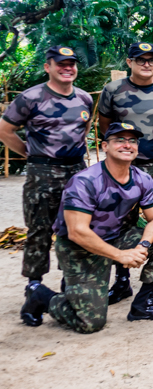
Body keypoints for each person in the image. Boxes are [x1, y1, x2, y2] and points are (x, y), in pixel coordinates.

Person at [20, 123, 153, 332]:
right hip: (80, 247)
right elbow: (77, 231)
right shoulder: (85, 181)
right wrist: (120, 256)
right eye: (119, 140)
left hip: (116, 237)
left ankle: (144, 305)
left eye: (132, 141)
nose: (127, 145)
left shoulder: (142, 179)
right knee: (90, 323)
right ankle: (41, 295)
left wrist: (143, 245)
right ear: (105, 146)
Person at [0, 45, 92, 319]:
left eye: (71, 63)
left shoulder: (85, 99)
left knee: (76, 229)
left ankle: (69, 284)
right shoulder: (32, 97)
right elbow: (5, 130)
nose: (67, 68)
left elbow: (84, 130)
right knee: (39, 230)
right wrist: (30, 153)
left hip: (76, 172)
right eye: (61, 63)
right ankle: (34, 287)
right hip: (43, 174)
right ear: (48, 67)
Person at [98, 41, 153, 304]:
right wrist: (124, 153)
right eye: (140, 59)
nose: (146, 64)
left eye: (151, 60)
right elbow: (105, 125)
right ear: (129, 62)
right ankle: (122, 280)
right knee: (120, 221)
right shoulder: (113, 89)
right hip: (123, 167)